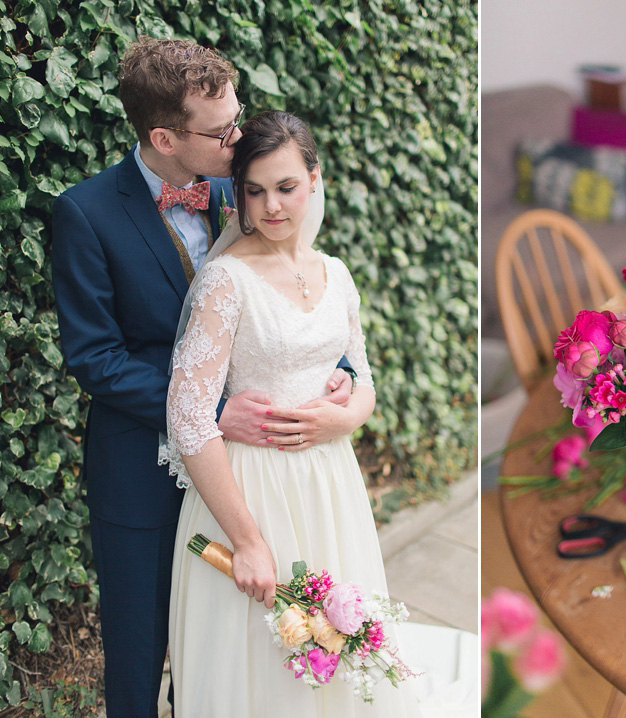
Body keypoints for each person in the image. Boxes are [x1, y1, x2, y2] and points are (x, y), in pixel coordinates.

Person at [51, 38, 354, 717]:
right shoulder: (85, 214)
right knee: (138, 650)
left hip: (241, 476)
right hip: (139, 470)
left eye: (237, 115)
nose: (239, 136)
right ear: (163, 136)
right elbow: (95, 358)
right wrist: (212, 407)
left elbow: (285, 294)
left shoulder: (242, 188)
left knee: (215, 644)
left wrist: (329, 372)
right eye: (222, 130)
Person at [161, 110, 421, 715]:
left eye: (285, 188)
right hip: (250, 493)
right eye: (254, 191)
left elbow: (365, 380)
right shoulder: (226, 280)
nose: (271, 207)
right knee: (259, 665)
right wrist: (247, 542)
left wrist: (346, 418)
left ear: (314, 179)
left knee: (334, 661)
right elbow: (189, 416)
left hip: (330, 489)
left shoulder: (336, 273)